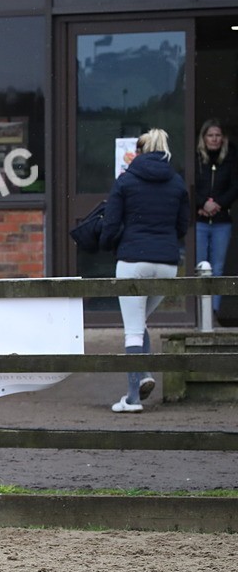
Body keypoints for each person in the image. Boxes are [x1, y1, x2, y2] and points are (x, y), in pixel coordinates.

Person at [101, 127, 190, 413]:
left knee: (132, 330)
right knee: (139, 321)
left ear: (139, 151)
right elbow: (181, 226)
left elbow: (111, 224)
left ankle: (132, 398)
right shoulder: (177, 183)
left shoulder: (126, 181)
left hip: (133, 261)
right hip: (166, 265)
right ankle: (146, 374)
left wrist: (105, 244)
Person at [194, 120, 237, 313]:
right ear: (203, 138)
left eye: (218, 135)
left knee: (217, 269)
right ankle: (199, 313)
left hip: (221, 221)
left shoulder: (230, 158)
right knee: (200, 268)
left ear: (223, 138)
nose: (214, 139)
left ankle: (214, 312)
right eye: (210, 135)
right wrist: (203, 203)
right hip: (200, 221)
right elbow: (189, 185)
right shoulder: (196, 159)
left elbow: (234, 186)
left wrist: (217, 204)